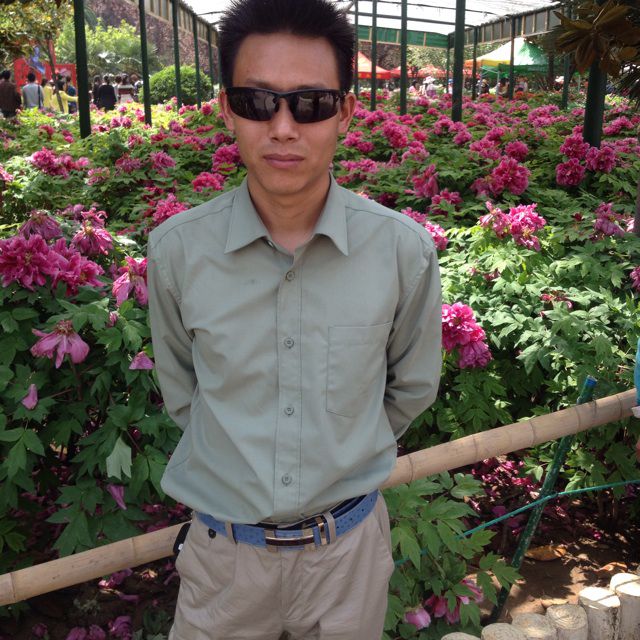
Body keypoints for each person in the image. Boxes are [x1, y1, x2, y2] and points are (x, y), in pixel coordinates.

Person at [147, 0, 442, 638]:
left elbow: (411, 387)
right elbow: (183, 391)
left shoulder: (402, 252)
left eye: (310, 103)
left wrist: (341, 446)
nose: (283, 128)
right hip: (224, 563)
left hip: (348, 561)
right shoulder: (177, 252)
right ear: (227, 109)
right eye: (257, 101)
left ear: (346, 112)